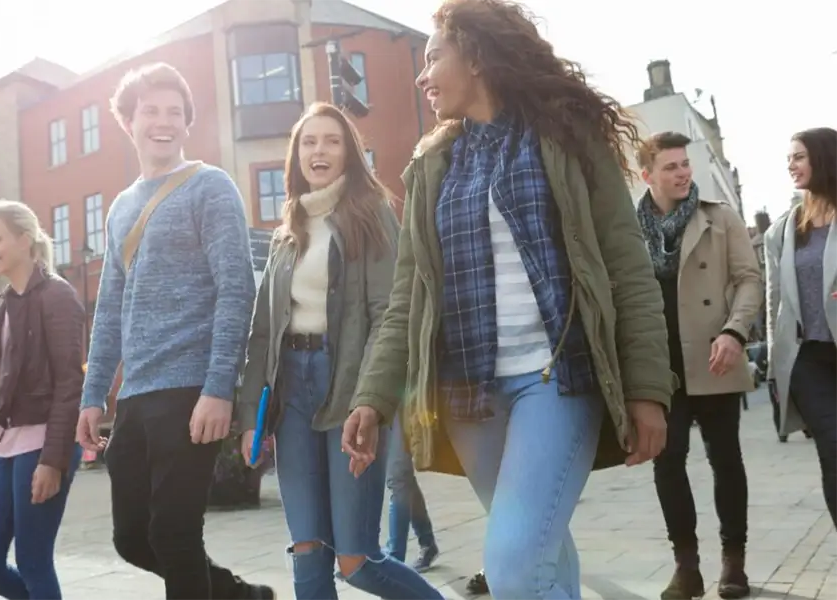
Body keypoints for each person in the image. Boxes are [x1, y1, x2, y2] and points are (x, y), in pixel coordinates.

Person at [341, 1, 674, 598]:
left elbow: (627, 264)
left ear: (475, 56)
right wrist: (373, 396)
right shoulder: (433, 164)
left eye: (433, 57)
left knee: (514, 562)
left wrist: (648, 388)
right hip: (471, 394)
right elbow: (407, 300)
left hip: (557, 378)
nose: (423, 76)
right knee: (542, 553)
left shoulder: (566, 138)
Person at [76, 63, 272, 600]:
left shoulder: (210, 187)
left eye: (174, 113)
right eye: (150, 111)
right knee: (133, 538)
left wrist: (217, 388)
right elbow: (111, 308)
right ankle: (242, 596)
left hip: (189, 389)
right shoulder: (120, 208)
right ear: (129, 122)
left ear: (188, 123)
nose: (162, 122)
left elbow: (236, 290)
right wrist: (94, 396)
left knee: (173, 533)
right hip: (136, 394)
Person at [237, 102, 444, 600]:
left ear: (349, 152)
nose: (319, 151)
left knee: (356, 560)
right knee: (307, 553)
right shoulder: (286, 233)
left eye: (331, 140)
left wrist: (369, 401)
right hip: (292, 392)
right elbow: (262, 331)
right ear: (296, 156)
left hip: (350, 385)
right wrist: (251, 416)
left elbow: (387, 313)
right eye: (309, 142)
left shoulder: (369, 215)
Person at [635, 132, 762, 600]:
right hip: (658, 366)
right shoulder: (628, 229)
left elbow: (749, 279)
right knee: (668, 465)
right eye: (670, 167)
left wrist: (735, 331)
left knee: (726, 459)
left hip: (715, 357)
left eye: (685, 164)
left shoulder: (719, 217)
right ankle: (686, 567)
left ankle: (734, 563)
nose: (683, 172)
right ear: (646, 175)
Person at [0, 199, 85, 599]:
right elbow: (18, 377)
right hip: (7, 445)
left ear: (25, 239)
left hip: (44, 443)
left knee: (34, 560)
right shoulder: (5, 303)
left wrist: (53, 460)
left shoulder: (57, 296)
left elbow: (70, 383)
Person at [766, 127, 837, 528]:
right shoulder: (783, 230)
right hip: (808, 357)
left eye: (799, 157)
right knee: (833, 447)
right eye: (789, 158)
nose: (791, 165)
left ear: (823, 158)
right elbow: (776, 303)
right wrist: (777, 371)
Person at [384, 413, 440, 571]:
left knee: (398, 477)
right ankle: (427, 541)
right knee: (403, 479)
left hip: (399, 400)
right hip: (377, 401)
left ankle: (395, 556)